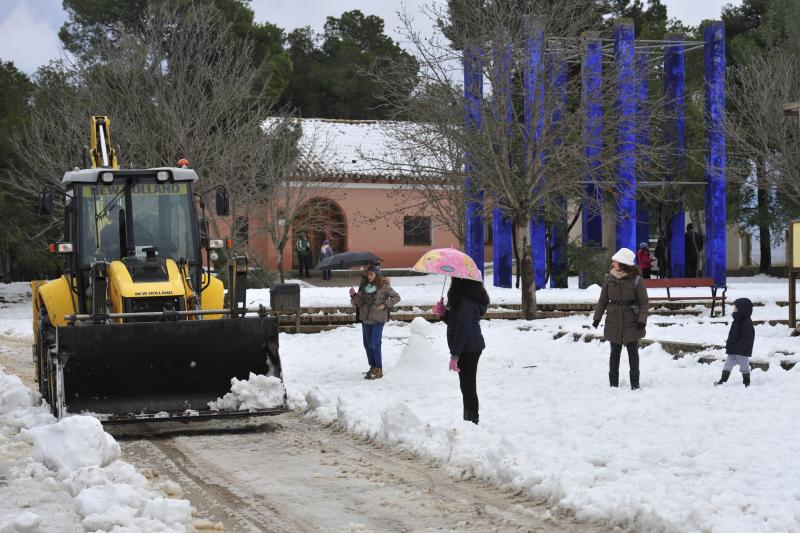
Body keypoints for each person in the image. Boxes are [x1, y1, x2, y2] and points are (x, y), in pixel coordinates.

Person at [433, 277, 489, 425]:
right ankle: (470, 420)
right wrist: (444, 313)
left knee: (468, 386)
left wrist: (455, 355)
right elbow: (456, 321)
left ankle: (471, 421)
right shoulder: (467, 297)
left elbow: (462, 329)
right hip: (470, 345)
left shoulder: (465, 301)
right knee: (466, 386)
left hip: (469, 347)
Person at [592, 248, 649, 390]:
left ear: (623, 263)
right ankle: (613, 384)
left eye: (615, 260)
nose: (613, 262)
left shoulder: (636, 280)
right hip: (613, 320)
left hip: (632, 321)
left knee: (633, 352)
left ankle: (635, 384)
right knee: (614, 353)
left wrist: (642, 320)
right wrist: (597, 318)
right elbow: (603, 299)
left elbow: (644, 302)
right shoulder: (609, 278)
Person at [349, 265, 400, 380]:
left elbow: (397, 297)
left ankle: (379, 368)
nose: (369, 276)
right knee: (367, 345)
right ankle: (372, 366)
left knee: (374, 343)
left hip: (378, 319)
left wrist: (385, 304)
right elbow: (360, 302)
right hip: (366, 318)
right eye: (368, 274)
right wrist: (353, 295)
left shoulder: (384, 286)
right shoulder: (366, 286)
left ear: (376, 275)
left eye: (371, 274)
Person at [715, 298, 755, 388]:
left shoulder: (746, 322)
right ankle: (723, 379)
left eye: (736, 308)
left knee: (744, 367)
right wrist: (729, 343)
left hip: (741, 351)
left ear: (743, 309)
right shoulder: (737, 320)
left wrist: (741, 348)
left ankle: (746, 381)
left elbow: (747, 337)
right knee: (727, 365)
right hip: (733, 349)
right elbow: (732, 334)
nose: (734, 310)